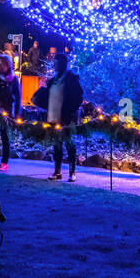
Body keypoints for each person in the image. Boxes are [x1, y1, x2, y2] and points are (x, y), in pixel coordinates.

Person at [43, 52, 84, 181]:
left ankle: (72, 172)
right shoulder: (53, 80)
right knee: (57, 145)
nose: (53, 64)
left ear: (62, 63)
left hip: (67, 117)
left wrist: (72, 111)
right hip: (54, 117)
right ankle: (57, 171)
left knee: (69, 144)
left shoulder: (71, 78)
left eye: (56, 62)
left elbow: (79, 96)